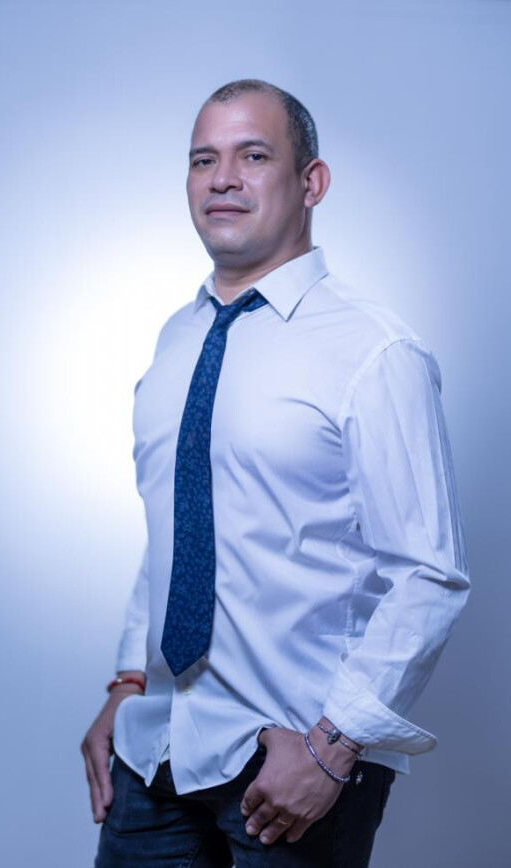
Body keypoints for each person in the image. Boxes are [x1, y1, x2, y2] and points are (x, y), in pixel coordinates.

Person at [81, 78, 471, 868]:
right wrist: (126, 684)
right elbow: (177, 525)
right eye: (203, 160)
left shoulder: (374, 351)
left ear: (311, 182)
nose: (222, 179)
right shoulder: (175, 340)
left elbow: (428, 573)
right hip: (156, 749)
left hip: (292, 758)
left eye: (253, 156)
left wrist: (335, 746)